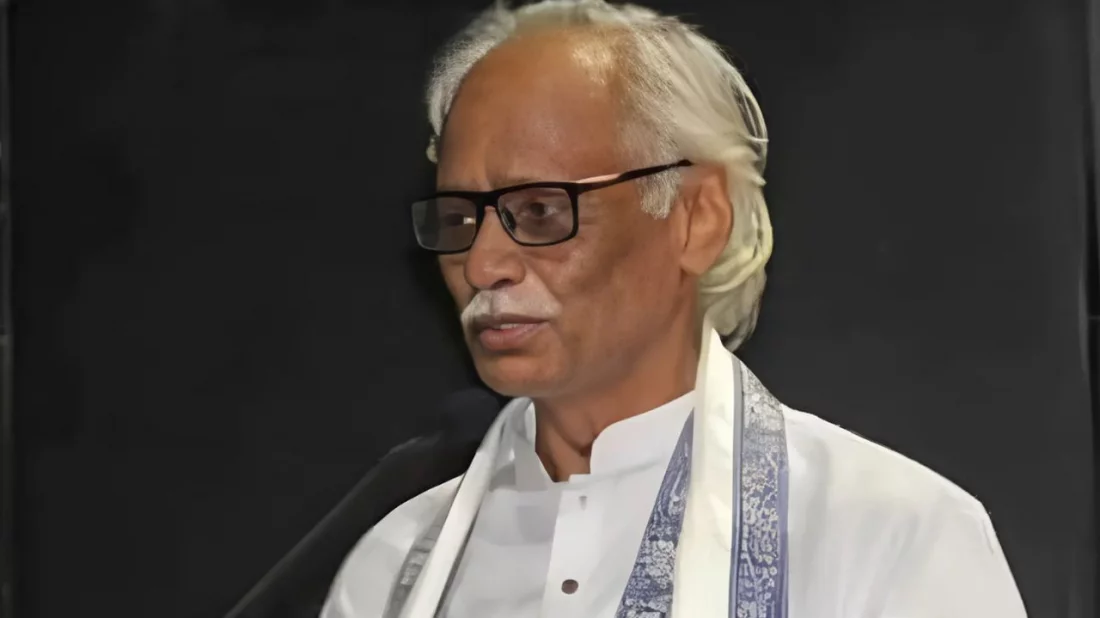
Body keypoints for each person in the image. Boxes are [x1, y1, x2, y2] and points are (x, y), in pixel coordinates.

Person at [322, 1, 1029, 616]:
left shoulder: (888, 539)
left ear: (696, 219)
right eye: (459, 217)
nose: (482, 265)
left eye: (539, 211)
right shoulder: (390, 572)